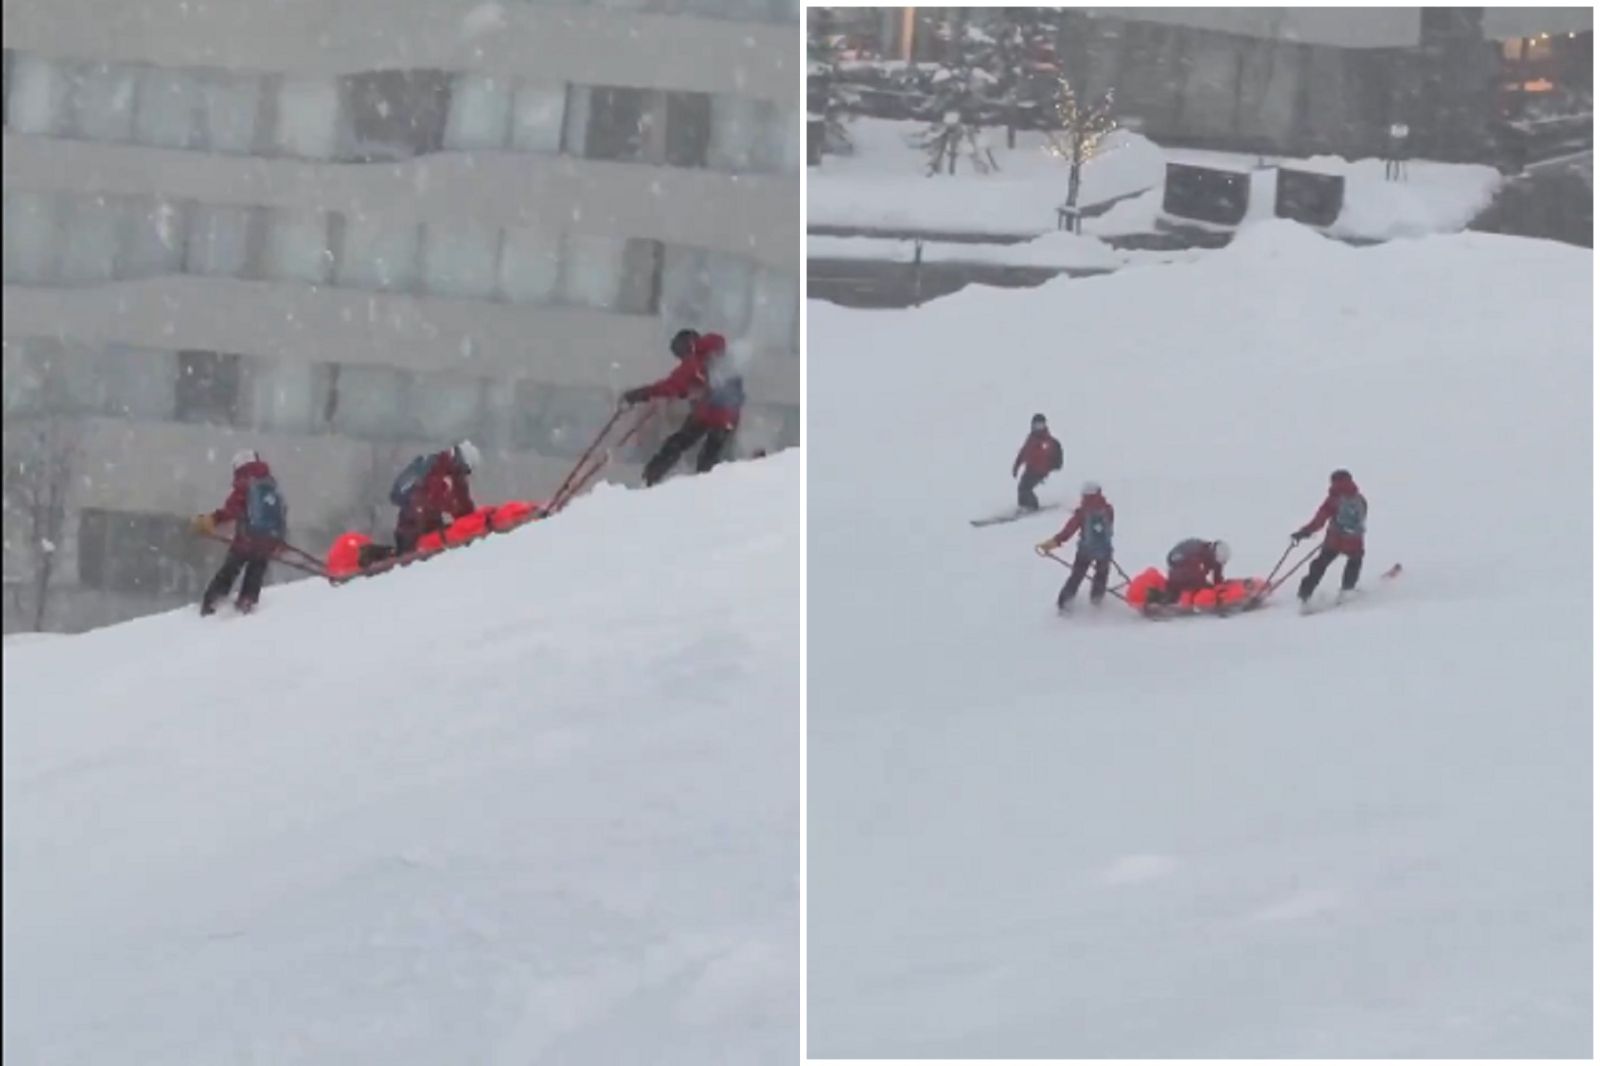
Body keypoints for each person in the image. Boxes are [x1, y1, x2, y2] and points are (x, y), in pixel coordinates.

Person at [623, 331, 744, 486]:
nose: (681, 359)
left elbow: (672, 385)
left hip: (707, 414)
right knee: (713, 455)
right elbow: (702, 384)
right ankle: (716, 486)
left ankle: (649, 480)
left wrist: (642, 393)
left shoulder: (695, 359)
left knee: (677, 445)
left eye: (679, 353)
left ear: (685, 345)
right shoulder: (721, 355)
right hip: (728, 416)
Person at [192, 449, 286, 616]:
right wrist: (277, 538)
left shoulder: (244, 483)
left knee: (231, 568)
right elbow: (281, 511)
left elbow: (231, 510)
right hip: (269, 539)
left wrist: (214, 519)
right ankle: (247, 600)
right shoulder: (271, 484)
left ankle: (213, 601)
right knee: (257, 569)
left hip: (246, 538)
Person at [1291, 468, 1367, 603]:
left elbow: (1320, 519)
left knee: (1320, 564)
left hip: (1334, 540)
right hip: (1354, 541)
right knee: (1354, 562)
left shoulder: (1334, 499)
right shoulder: (1360, 499)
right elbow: (1360, 519)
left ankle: (1304, 594)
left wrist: (1305, 532)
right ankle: (1347, 590)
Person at [1036, 481, 1115, 610]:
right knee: (1101, 575)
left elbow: (1068, 531)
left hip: (1085, 551)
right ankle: (1096, 600)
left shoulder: (1082, 512)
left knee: (1077, 576)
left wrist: (1053, 542)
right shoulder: (1108, 509)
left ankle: (1064, 603)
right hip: (1105, 551)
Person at [392, 440, 479, 555]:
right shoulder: (437, 468)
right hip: (414, 532)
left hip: (422, 528)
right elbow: (439, 500)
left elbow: (463, 505)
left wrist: (472, 522)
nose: (463, 475)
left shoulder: (450, 473)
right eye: (464, 470)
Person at [1150, 537, 1231, 607]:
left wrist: (1220, 588)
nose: (1219, 564)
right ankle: (1163, 598)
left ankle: (1165, 596)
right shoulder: (1198, 555)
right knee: (1185, 584)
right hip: (1179, 563)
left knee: (1185, 585)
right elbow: (1197, 577)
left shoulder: (1212, 555)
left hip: (1178, 562)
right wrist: (1210, 588)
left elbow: (1217, 575)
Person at [1012, 413, 1063, 512]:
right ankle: (1023, 505)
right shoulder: (1031, 439)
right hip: (1030, 469)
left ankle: (1032, 506)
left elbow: (1054, 454)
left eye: (1041, 425)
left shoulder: (1048, 441)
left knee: (1026, 488)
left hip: (1040, 470)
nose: (1038, 428)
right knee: (1022, 487)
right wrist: (1016, 466)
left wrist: (1053, 466)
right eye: (1036, 425)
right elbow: (1023, 453)